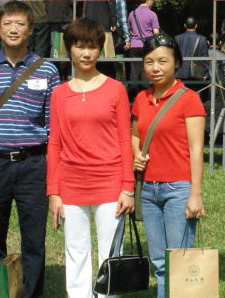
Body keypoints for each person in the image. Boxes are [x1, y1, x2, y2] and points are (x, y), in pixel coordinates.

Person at [0, 1, 60, 298]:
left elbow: (54, 128)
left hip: (33, 165)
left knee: (34, 242)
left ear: (30, 30)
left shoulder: (48, 70)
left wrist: (54, 175)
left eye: (20, 24)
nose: (13, 29)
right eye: (7, 24)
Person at [47, 18, 134, 298]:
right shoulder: (59, 94)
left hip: (110, 184)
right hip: (71, 185)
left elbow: (124, 139)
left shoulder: (115, 89)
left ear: (101, 50)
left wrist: (128, 187)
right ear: (69, 49)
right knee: (76, 252)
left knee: (111, 254)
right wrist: (54, 193)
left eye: (92, 47)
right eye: (79, 46)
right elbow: (55, 143)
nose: (86, 53)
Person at [131, 33, 205, 298]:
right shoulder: (141, 98)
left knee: (180, 261)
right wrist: (136, 154)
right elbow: (135, 134)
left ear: (176, 63)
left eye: (163, 61)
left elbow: (197, 149)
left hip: (178, 189)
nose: (156, 68)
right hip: (149, 190)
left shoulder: (189, 99)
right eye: (149, 62)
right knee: (159, 262)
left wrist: (195, 194)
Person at [128, 0, 160, 93]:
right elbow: (156, 32)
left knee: (134, 70)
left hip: (134, 45)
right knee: (146, 69)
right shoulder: (152, 14)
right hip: (147, 45)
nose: (153, 2)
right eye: (152, 0)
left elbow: (130, 30)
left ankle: (133, 94)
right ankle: (145, 93)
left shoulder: (132, 14)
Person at [174, 17, 210, 90]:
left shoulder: (177, 38)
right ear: (196, 26)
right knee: (194, 95)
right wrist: (206, 72)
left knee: (180, 96)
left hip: (180, 72)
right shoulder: (202, 39)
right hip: (196, 73)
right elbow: (205, 57)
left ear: (185, 25)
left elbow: (174, 55)